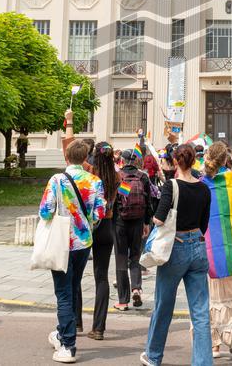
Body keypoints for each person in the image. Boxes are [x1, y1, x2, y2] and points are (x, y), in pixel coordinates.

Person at [140, 144, 213, 366]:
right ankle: (202, 362)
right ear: (194, 161)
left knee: (163, 305)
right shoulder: (204, 189)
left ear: (175, 161)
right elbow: (204, 223)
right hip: (198, 245)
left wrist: (154, 219)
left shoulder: (171, 185)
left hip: (176, 246)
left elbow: (159, 219)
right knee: (200, 311)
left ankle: (153, 355)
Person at [40, 139, 106, 363]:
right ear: (86, 158)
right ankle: (62, 332)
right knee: (72, 287)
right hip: (83, 242)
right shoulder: (94, 181)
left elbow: (45, 211)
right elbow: (99, 213)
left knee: (63, 293)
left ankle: (68, 344)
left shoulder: (57, 180)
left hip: (61, 242)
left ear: (66, 157)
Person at [203, 142, 232, 357]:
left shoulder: (202, 182)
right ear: (226, 160)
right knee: (229, 290)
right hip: (229, 242)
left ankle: (214, 344)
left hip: (208, 243)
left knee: (209, 294)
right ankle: (230, 329)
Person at [83, 142, 118, 341]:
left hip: (89, 227)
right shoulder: (117, 176)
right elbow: (122, 198)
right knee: (102, 277)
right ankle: (98, 328)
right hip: (107, 226)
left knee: (76, 274)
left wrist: (68, 125)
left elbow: (69, 154)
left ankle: (76, 321)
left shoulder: (90, 172)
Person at [113, 149, 155, 311]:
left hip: (120, 222)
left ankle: (123, 301)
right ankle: (136, 288)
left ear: (122, 161)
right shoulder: (143, 176)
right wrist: (146, 223)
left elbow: (113, 200)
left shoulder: (118, 176)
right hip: (138, 221)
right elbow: (149, 201)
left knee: (121, 258)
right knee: (135, 256)